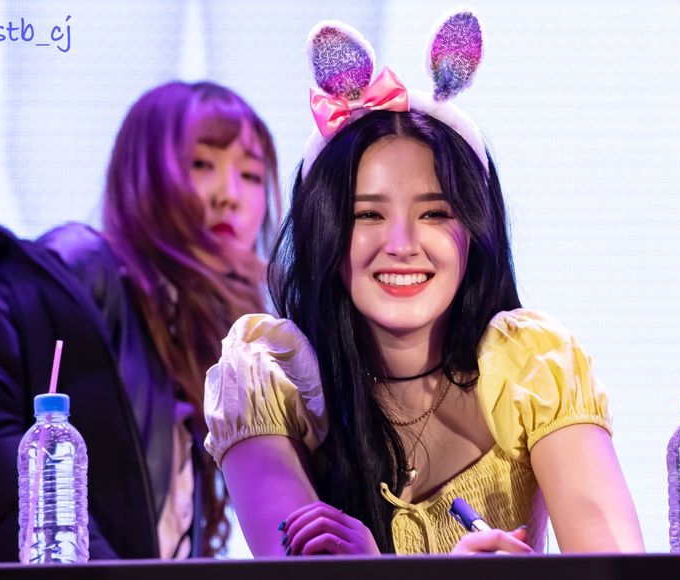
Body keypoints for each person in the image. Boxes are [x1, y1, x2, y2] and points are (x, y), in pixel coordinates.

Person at [204, 12, 645, 556]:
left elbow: (621, 571)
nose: (402, 242)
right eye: (367, 215)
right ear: (326, 235)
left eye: (435, 213)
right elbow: (297, 566)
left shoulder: (535, 368)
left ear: (474, 232)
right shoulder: (267, 382)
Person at [0, 80, 280, 560]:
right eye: (202, 164)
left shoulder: (199, 342)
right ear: (144, 174)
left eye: (252, 175)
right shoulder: (78, 269)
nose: (230, 196)